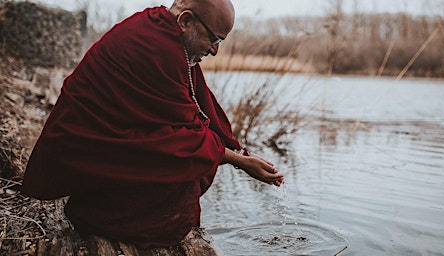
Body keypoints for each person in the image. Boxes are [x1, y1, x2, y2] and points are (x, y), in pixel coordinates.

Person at [21, 0, 284, 249]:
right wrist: (241, 162)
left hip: (107, 148)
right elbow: (187, 137)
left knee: (188, 167)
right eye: (214, 39)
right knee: (180, 185)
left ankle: (100, 208)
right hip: (87, 150)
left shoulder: (165, 34)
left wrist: (232, 152)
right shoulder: (156, 46)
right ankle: (101, 217)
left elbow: (189, 117)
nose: (215, 50)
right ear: (186, 20)